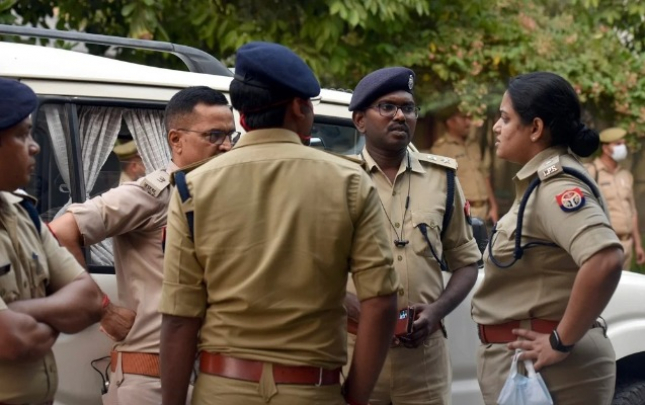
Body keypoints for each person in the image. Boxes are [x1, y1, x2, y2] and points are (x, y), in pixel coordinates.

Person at [159, 42, 399, 405]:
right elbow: (380, 304)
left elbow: (179, 318)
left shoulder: (191, 187)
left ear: (242, 118)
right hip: (313, 392)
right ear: (299, 109)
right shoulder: (349, 182)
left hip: (222, 391)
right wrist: (354, 397)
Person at [48, 86, 235, 405]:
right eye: (214, 136)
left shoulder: (223, 196)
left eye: (231, 136)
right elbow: (61, 232)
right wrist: (102, 308)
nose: (227, 147)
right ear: (176, 140)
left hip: (213, 377)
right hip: (152, 380)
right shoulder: (154, 195)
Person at [471, 72, 624, 405]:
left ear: (536, 128)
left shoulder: (556, 187)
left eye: (505, 118)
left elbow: (605, 259)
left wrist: (559, 342)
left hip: (553, 372)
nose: (496, 127)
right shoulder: (540, 185)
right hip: (537, 367)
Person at [345, 67, 481, 405]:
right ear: (360, 121)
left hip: (424, 360)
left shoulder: (443, 179)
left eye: (408, 108)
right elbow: (315, 268)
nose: (400, 116)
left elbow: (467, 263)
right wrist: (355, 308)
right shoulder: (340, 180)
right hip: (354, 352)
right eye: (387, 107)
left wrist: (436, 311)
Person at [0, 78, 103, 404]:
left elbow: (90, 301)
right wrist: (58, 317)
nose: (35, 147)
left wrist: (22, 310)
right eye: (22, 135)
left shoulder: (23, 214)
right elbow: (14, 339)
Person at [584, 127, 645, 270]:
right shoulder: (591, 172)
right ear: (605, 148)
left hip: (627, 244)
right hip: (605, 243)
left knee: (624, 282)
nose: (623, 147)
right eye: (618, 144)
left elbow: (632, 211)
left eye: (623, 143)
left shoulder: (625, 175)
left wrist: (638, 245)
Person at [430, 105, 499, 223]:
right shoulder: (440, 149)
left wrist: (493, 206)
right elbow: (438, 186)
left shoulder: (473, 145)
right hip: (461, 212)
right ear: (450, 122)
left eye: (469, 118)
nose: (468, 122)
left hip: (484, 211)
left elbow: (484, 176)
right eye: (463, 118)